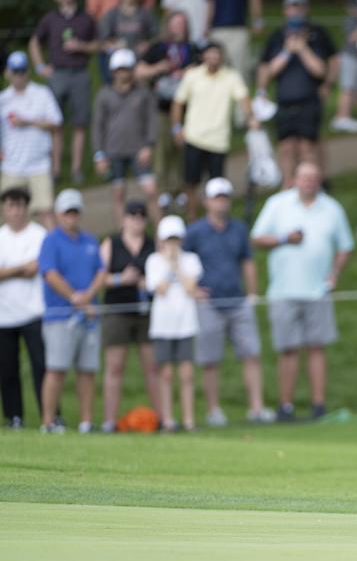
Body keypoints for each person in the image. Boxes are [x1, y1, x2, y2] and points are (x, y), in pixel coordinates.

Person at [251, 163, 354, 422]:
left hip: (318, 291)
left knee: (317, 348)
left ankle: (318, 405)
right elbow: (257, 237)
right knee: (288, 349)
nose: (309, 182)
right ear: (294, 179)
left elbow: (345, 246)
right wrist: (285, 239)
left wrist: (335, 272)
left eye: (314, 178)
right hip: (283, 290)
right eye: (304, 178)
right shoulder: (278, 204)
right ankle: (285, 406)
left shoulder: (331, 208)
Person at [183, 177, 274, 426]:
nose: (221, 202)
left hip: (238, 300)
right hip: (209, 303)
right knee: (210, 360)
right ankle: (214, 411)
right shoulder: (195, 232)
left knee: (251, 355)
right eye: (216, 198)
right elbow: (179, 261)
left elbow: (247, 261)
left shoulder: (239, 229)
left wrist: (252, 292)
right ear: (206, 202)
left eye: (225, 197)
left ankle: (256, 408)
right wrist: (191, 290)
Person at [38, 189, 107, 434]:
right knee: (56, 370)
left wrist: (87, 296)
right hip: (59, 317)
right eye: (67, 212)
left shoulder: (90, 240)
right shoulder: (51, 240)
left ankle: (86, 422)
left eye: (75, 212)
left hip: (88, 317)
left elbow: (101, 271)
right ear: (58, 214)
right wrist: (75, 297)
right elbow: (50, 273)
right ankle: (48, 422)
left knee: (87, 371)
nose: (71, 216)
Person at [171, 40, 258, 221]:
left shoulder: (231, 76)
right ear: (204, 56)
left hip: (218, 140)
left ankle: (216, 218)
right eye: (210, 53)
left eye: (217, 53)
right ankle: (192, 218)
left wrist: (251, 118)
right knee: (191, 183)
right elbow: (178, 102)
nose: (214, 57)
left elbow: (243, 98)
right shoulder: (193, 75)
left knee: (217, 185)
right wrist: (177, 127)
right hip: (194, 136)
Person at [259, 0, 339, 185]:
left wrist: (302, 48)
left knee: (307, 147)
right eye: (293, 6)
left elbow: (321, 69)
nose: (297, 11)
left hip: (309, 99)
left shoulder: (317, 34)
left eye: (300, 6)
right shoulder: (277, 37)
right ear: (285, 10)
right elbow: (268, 70)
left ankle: (312, 184)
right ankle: (288, 184)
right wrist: (287, 51)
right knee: (286, 146)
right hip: (284, 100)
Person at [99, 201, 159, 434]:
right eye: (132, 215)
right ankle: (109, 421)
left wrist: (148, 283)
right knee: (114, 367)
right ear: (124, 218)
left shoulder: (153, 244)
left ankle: (160, 419)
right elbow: (99, 278)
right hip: (117, 309)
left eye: (142, 215)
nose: (137, 220)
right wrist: (120, 279)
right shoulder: (111, 243)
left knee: (152, 367)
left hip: (146, 312)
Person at [29, 0, 99, 185]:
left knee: (80, 123)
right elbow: (35, 42)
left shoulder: (86, 19)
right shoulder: (50, 19)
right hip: (57, 74)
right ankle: (56, 169)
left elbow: (98, 45)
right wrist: (40, 67)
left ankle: (77, 170)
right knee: (55, 123)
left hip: (80, 73)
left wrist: (80, 46)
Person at [135, 11, 198, 214]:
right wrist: (159, 68)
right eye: (175, 23)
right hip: (162, 108)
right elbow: (139, 71)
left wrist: (187, 73)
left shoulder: (192, 48)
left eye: (182, 23)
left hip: (187, 111)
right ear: (168, 25)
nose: (178, 27)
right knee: (162, 148)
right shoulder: (158, 48)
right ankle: (162, 190)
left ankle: (178, 189)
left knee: (182, 150)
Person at [146, 215, 202, 432]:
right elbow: (160, 288)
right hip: (163, 325)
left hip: (186, 322)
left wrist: (177, 264)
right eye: (168, 239)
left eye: (175, 239)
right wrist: (169, 265)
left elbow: (190, 287)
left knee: (187, 374)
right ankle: (168, 419)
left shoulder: (191, 260)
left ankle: (189, 420)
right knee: (166, 373)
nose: (172, 244)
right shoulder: (154, 261)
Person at [93, 48, 159, 227]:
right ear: (113, 71)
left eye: (127, 69)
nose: (124, 73)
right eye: (120, 69)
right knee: (118, 194)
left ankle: (161, 233)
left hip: (139, 149)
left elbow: (152, 120)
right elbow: (98, 126)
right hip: (113, 150)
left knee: (151, 191)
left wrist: (149, 145)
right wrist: (99, 154)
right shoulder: (104, 94)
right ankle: (123, 237)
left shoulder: (143, 93)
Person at [0, 188, 48, 430]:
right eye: (11, 206)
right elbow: (26, 269)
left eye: (20, 206)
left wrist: (8, 271)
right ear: (5, 209)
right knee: (7, 371)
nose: (16, 211)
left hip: (34, 312)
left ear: (26, 208)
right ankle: (14, 417)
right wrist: (20, 269)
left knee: (42, 366)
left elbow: (37, 268)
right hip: (4, 315)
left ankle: (49, 416)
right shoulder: (1, 237)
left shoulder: (39, 235)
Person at [0, 51, 63, 229]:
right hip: (12, 165)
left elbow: (55, 122)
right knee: (11, 214)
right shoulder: (3, 99)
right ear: (8, 72)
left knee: (46, 212)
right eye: (15, 71)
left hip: (39, 164)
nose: (18, 76)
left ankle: (53, 254)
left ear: (27, 72)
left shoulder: (41, 93)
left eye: (22, 71)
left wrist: (27, 121)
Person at [330, 0, 357, 133]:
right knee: (347, 88)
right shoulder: (351, 21)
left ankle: (347, 116)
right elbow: (353, 38)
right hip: (350, 57)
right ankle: (341, 117)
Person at [206, 0, 264, 85]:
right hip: (217, 30)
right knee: (217, 68)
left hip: (238, 29)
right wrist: (207, 25)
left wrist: (257, 22)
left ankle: (241, 96)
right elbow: (211, 3)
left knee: (240, 69)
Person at [98, 0, 157, 76]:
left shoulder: (145, 14)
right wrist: (113, 45)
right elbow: (103, 39)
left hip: (139, 59)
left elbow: (157, 35)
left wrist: (148, 44)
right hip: (118, 61)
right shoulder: (112, 14)